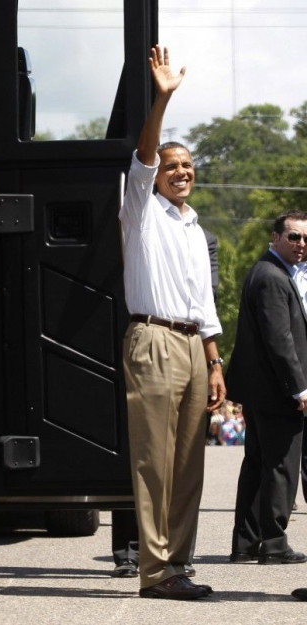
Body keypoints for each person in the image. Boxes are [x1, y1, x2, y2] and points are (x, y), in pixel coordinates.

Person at [119, 45, 225, 600]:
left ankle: (177, 565)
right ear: (157, 174)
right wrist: (162, 99)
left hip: (191, 346)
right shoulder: (140, 209)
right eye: (171, 165)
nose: (180, 172)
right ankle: (155, 571)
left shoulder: (191, 225)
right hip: (153, 337)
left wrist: (214, 359)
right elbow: (142, 156)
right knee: (155, 464)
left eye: (188, 165)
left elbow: (203, 300)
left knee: (189, 464)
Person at [227, 211, 307, 566]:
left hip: (261, 391)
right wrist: (299, 389)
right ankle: (274, 542)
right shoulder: (273, 277)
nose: (301, 244)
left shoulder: (267, 271)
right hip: (277, 392)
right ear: (274, 238)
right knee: (280, 466)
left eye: (305, 238)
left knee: (258, 463)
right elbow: (280, 340)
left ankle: (246, 542)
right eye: (293, 237)